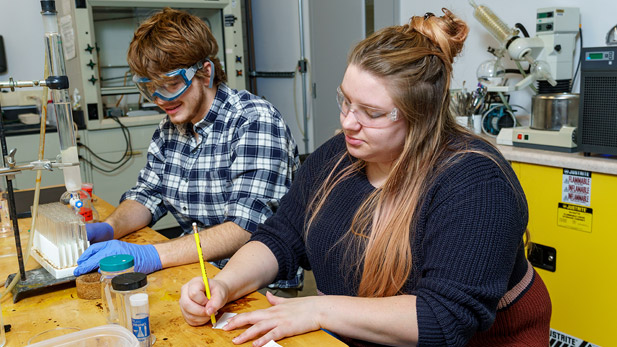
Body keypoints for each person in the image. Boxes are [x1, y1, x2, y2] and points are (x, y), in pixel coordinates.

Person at [178, 8, 552, 347]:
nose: (347, 122)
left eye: (371, 112)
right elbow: (281, 237)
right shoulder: (339, 154)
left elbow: (443, 320)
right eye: (345, 101)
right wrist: (224, 285)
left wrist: (319, 311)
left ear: (420, 114)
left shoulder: (476, 184)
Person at [73, 8, 302, 294]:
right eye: (151, 88)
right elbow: (147, 196)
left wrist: (152, 255)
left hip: (258, 285)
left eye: (170, 85)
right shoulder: (169, 129)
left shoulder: (254, 121)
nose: (160, 100)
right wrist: (108, 228)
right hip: (196, 268)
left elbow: (246, 226)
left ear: (205, 72)